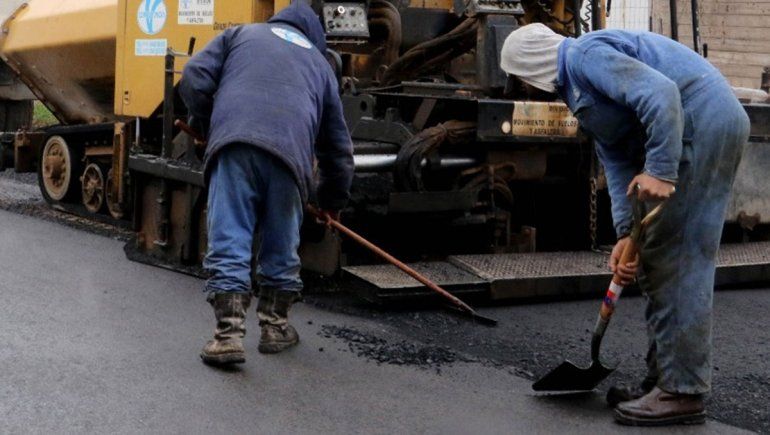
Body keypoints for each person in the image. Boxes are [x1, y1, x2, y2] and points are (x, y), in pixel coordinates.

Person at [501, 24, 749, 426]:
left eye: (521, 80)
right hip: (697, 127)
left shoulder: (583, 56)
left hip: (701, 125)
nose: (527, 90)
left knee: (677, 258)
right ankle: (662, 378)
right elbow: (615, 159)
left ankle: (682, 392)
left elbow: (661, 94)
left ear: (529, 67)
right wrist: (623, 235)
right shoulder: (577, 87)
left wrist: (662, 172)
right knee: (654, 255)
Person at [179, 2, 354, 366]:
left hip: (236, 148)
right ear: (314, 38)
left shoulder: (241, 34)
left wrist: (213, 121)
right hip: (291, 158)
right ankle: (275, 328)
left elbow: (194, 75)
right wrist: (331, 200)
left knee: (230, 234)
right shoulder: (321, 66)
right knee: (281, 240)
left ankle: (227, 336)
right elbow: (337, 148)